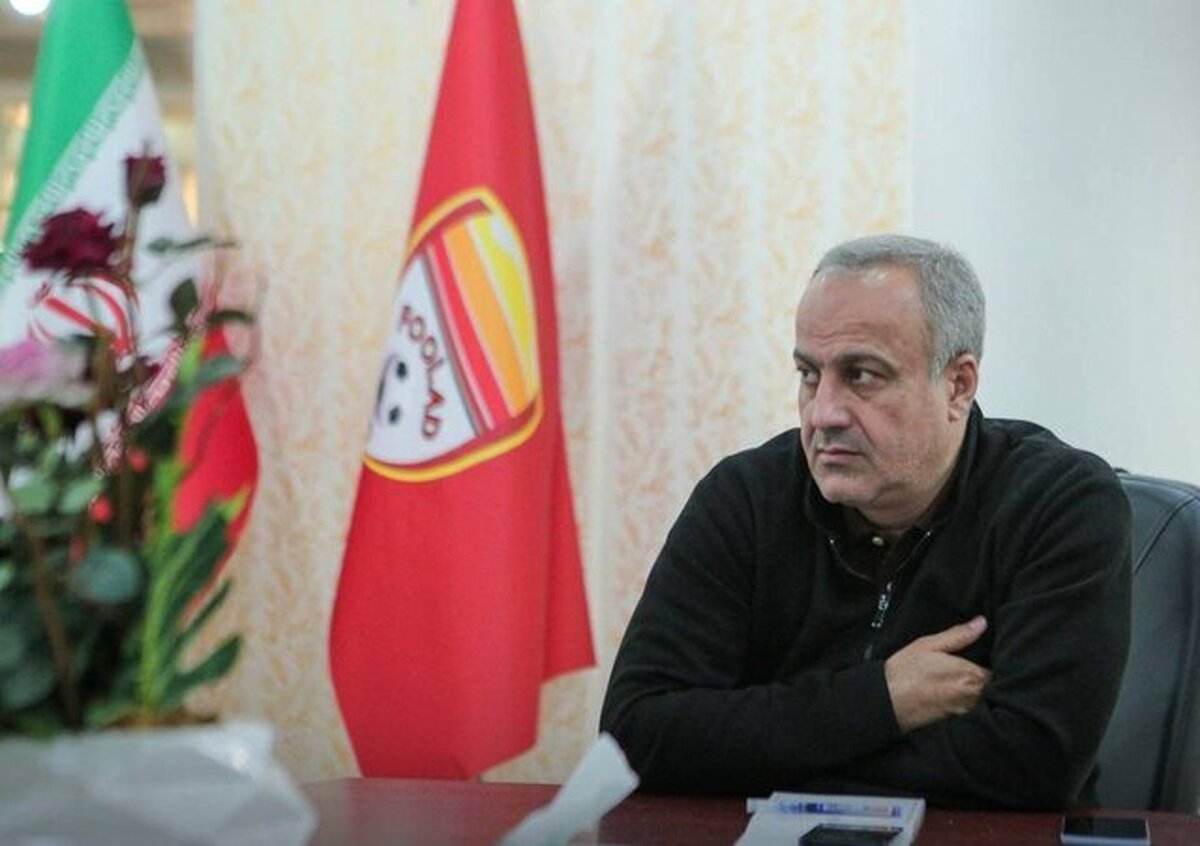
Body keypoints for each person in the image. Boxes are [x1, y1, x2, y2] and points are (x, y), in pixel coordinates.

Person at [599, 234, 1131, 809]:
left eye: (862, 376)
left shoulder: (1060, 504)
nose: (823, 413)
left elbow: (1033, 766)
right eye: (809, 374)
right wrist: (881, 700)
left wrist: (758, 753)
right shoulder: (744, 498)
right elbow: (635, 736)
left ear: (957, 385)